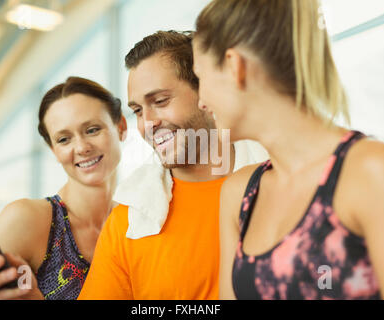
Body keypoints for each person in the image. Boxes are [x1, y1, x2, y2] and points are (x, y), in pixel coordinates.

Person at [192, 0, 384, 299]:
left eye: (200, 77)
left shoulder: (375, 171)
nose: (200, 101)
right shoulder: (239, 194)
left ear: (234, 65)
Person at [78, 31, 268, 299]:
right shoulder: (129, 222)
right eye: (138, 111)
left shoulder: (282, 184)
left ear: (206, 93)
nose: (148, 123)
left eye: (160, 101)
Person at [0, 77, 127, 300]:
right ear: (53, 149)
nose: (82, 147)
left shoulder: (134, 223)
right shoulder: (27, 219)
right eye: (64, 139)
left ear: (121, 127)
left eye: (93, 130)